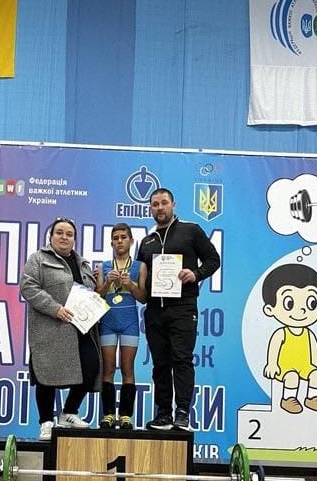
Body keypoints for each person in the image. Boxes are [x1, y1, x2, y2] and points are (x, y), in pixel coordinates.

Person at [136, 187, 220, 431]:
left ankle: (182, 413)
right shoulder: (147, 242)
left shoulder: (190, 230)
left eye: (164, 203)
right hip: (154, 310)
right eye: (155, 204)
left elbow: (213, 259)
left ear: (173, 205)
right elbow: (142, 278)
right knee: (160, 364)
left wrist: (196, 274)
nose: (159, 208)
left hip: (183, 308)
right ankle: (163, 414)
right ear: (150, 209)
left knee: (182, 359)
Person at [20, 217, 101, 440]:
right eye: (59, 233)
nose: (64, 237)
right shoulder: (38, 259)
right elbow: (28, 287)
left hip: (82, 329)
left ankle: (69, 412)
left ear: (74, 239)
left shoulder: (83, 264)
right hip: (50, 328)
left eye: (69, 234)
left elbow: (90, 292)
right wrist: (55, 309)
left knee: (91, 367)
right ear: (51, 236)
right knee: (46, 374)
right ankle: (46, 422)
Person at [95, 224, 147, 430]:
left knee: (128, 369)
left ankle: (126, 416)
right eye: (115, 238)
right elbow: (98, 296)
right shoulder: (104, 266)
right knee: (108, 369)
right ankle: (108, 414)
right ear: (111, 243)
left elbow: (143, 298)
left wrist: (131, 285)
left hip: (129, 323)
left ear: (131, 241)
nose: (119, 241)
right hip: (108, 321)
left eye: (123, 237)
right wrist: (107, 283)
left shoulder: (140, 267)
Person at [262, 263, 317, 414]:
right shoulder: (281, 333)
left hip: (305, 366)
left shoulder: (308, 334)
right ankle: (288, 398)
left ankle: (313, 397)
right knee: (292, 377)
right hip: (285, 369)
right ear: (270, 309)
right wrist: (272, 364)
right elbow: (274, 349)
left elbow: (315, 351)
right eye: (289, 303)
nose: (302, 309)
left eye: (311, 303)